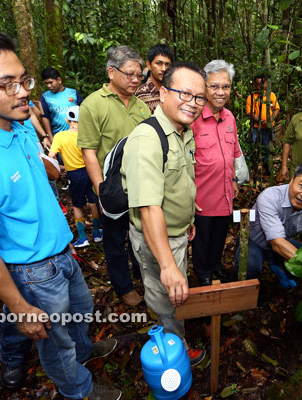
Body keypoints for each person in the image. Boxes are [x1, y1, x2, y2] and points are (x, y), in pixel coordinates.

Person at [0, 24, 120, 399]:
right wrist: (20, 308)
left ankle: (85, 352)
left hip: (60, 252)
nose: (23, 94)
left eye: (24, 80)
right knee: (56, 342)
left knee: (80, 316)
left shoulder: (17, 126)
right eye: (7, 84)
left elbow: (41, 183)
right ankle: (77, 389)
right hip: (31, 272)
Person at [121, 61, 207, 365]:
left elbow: (178, 181)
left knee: (176, 291)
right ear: (162, 91)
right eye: (184, 93)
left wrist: (188, 218)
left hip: (178, 232)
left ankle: (175, 336)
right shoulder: (148, 139)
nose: (193, 103)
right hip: (157, 239)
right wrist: (167, 265)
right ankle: (175, 351)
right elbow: (148, 208)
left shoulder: (182, 131)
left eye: (199, 97)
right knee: (165, 295)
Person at [78, 45, 151, 306]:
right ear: (111, 72)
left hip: (140, 185)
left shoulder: (142, 107)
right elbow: (89, 152)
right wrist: (101, 192)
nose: (135, 79)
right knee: (114, 241)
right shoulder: (92, 105)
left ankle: (141, 275)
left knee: (141, 235)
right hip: (112, 187)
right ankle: (123, 286)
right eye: (130, 74)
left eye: (139, 75)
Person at [190, 59, 240, 286]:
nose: (221, 92)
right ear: (204, 87)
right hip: (201, 197)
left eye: (226, 86)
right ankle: (202, 273)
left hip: (225, 192)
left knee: (220, 235)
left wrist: (234, 180)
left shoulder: (230, 117)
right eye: (214, 86)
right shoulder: (192, 119)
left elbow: (233, 151)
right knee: (202, 240)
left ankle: (215, 265)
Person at [246, 163, 302, 286]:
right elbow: (277, 243)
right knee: (249, 269)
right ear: (292, 180)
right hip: (256, 242)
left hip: (285, 242)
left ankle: (278, 266)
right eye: (301, 186)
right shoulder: (270, 197)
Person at [48, 105, 102, 247]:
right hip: (90, 171)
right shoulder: (88, 134)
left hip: (74, 174)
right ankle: (97, 233)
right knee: (93, 201)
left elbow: (51, 156)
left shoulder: (60, 137)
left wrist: (59, 167)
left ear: (67, 120)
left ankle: (83, 238)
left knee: (78, 206)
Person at [246, 75, 280, 175]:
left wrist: (270, 120)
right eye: (257, 84)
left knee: (268, 149)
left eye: (262, 84)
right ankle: (249, 170)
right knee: (252, 148)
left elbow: (276, 109)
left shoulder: (271, 95)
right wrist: (261, 121)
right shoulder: (251, 97)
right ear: (255, 85)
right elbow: (251, 113)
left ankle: (268, 172)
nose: (260, 86)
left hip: (269, 128)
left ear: (266, 84)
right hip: (256, 128)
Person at [40, 66, 83, 138]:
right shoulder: (45, 97)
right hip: (59, 136)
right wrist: (50, 137)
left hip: (78, 135)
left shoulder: (73, 93)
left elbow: (83, 110)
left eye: (51, 82)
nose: (49, 86)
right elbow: (45, 117)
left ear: (59, 80)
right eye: (46, 83)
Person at [135, 44, 174, 113]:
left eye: (167, 64)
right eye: (159, 63)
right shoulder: (141, 95)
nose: (163, 69)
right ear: (149, 65)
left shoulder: (174, 90)